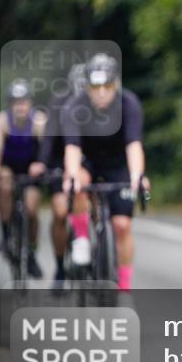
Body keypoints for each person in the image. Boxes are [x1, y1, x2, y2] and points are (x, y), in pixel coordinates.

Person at [61, 54, 150, 292]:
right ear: (87, 87)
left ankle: (124, 285)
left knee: (122, 225)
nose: (101, 92)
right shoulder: (74, 106)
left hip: (118, 163)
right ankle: (81, 237)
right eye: (95, 86)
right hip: (88, 160)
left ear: (115, 85)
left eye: (107, 86)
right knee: (76, 182)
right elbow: (72, 147)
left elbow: (133, 144)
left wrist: (137, 175)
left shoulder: (128, 103)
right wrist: (71, 175)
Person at [36, 64, 87, 287]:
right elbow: (48, 137)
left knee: (97, 200)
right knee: (59, 213)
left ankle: (101, 248)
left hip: (89, 159)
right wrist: (42, 162)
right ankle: (59, 267)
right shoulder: (60, 102)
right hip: (60, 158)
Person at [0, 79, 46, 276]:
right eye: (16, 102)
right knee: (4, 184)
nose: (20, 106)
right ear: (10, 104)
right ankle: (5, 235)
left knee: (31, 210)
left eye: (24, 101)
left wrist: (42, 165)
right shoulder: (1, 121)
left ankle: (32, 252)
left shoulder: (39, 120)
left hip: (32, 169)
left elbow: (46, 148)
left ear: (30, 103)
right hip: (9, 167)